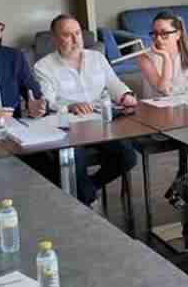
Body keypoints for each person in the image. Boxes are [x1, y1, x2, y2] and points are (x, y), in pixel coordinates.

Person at [33, 14, 139, 206]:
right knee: (76, 163)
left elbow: (113, 83)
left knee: (128, 157)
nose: (75, 39)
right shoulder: (43, 66)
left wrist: (125, 95)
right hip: (68, 127)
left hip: (100, 122)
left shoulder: (97, 57)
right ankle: (87, 201)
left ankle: (87, 191)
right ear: (55, 39)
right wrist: (71, 106)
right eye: (67, 35)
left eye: (77, 33)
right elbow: (47, 102)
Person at [138, 10, 188, 210]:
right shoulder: (146, 58)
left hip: (187, 118)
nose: (158, 38)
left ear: (178, 34)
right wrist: (166, 59)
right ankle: (184, 190)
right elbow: (164, 89)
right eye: (154, 34)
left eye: (164, 33)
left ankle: (181, 187)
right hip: (156, 122)